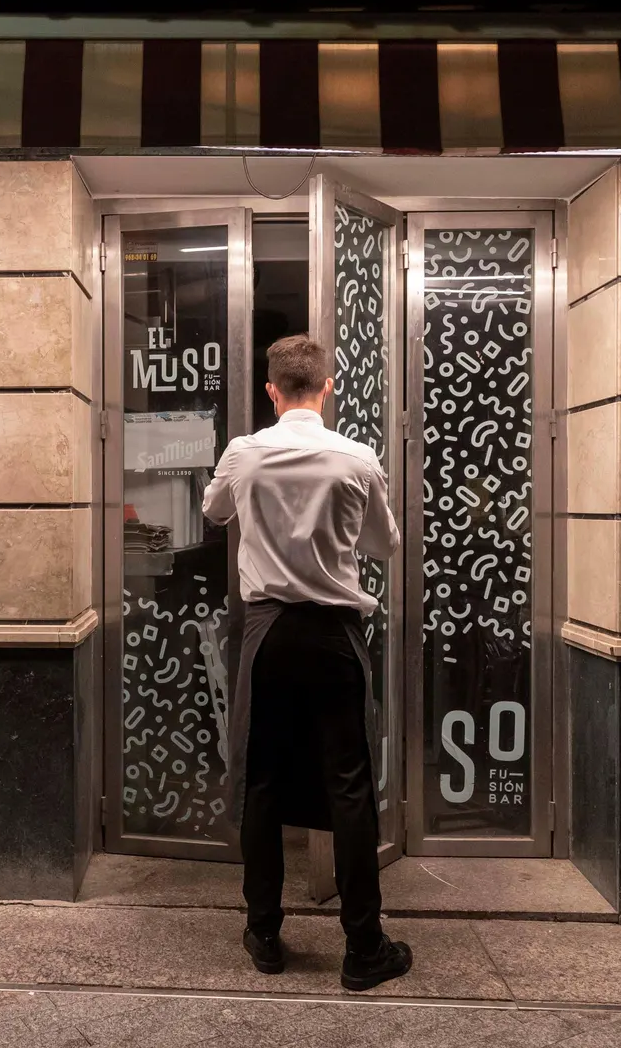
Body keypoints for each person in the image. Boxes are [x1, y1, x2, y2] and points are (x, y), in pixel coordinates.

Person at [202, 333, 411, 992]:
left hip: (267, 633)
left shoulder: (245, 453)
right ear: (326, 387)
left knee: (262, 782)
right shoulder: (356, 458)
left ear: (271, 390)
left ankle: (264, 932)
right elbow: (386, 543)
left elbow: (213, 511)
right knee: (349, 785)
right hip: (333, 633)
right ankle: (363, 947)